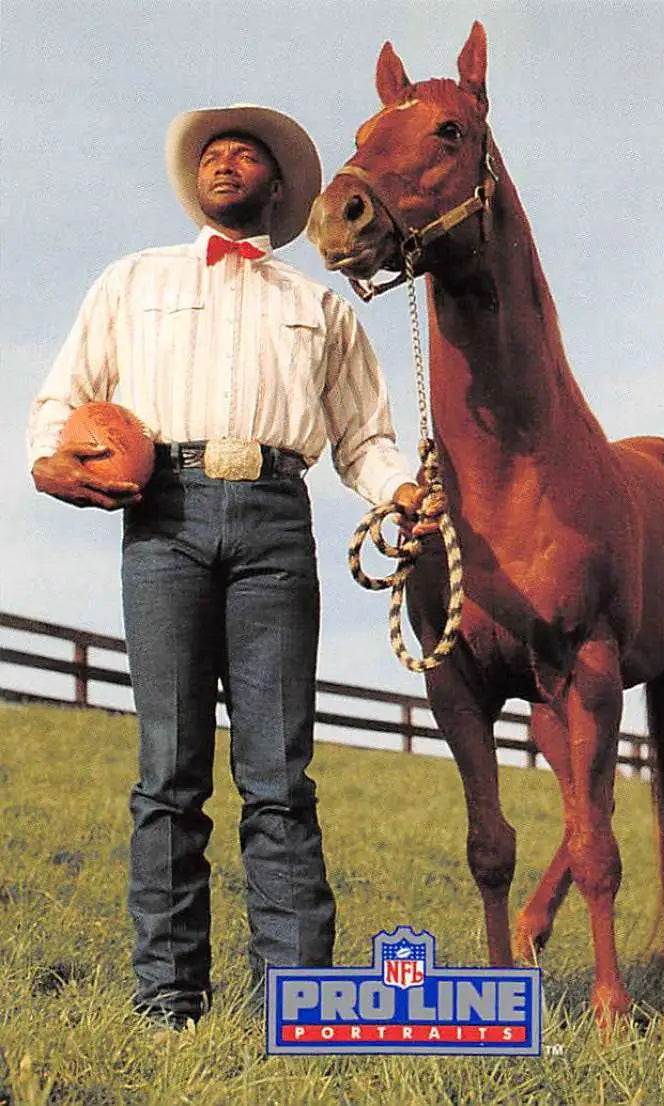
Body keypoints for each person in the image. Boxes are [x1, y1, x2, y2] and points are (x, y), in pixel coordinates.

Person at [27, 103, 425, 1030]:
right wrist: (54, 462)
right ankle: (169, 999)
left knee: (279, 772)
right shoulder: (132, 281)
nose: (227, 160)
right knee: (169, 768)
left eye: (247, 153)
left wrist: (399, 496)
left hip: (277, 523)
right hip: (162, 513)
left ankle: (299, 1004)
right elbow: (64, 402)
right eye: (213, 152)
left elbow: (365, 439)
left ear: (278, 186)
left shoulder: (321, 304)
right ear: (194, 180)